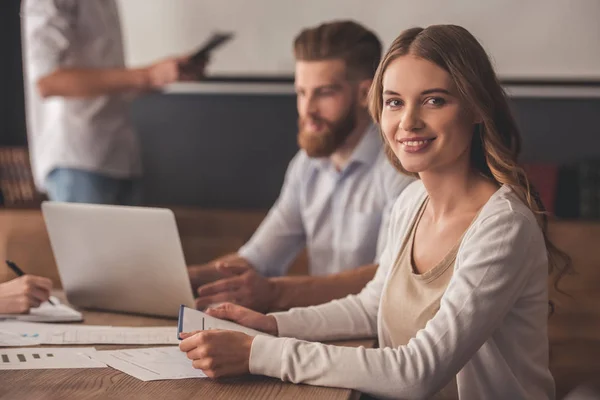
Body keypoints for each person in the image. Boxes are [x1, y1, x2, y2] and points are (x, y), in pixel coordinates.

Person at [179, 24, 571, 399]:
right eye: (395, 102)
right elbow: (371, 306)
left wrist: (259, 353)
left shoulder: (502, 227)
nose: (408, 121)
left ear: (476, 108)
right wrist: (272, 325)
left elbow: (419, 372)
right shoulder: (412, 202)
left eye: (434, 100)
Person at [189, 20, 413, 312]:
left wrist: (276, 293)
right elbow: (258, 259)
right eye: (302, 93)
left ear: (365, 94)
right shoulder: (306, 165)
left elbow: (388, 277)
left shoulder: (401, 165)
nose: (308, 110)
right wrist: (184, 277)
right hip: (321, 327)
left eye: (324, 93)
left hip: (376, 334)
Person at [21, 0, 203, 205]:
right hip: (79, 161)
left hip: (120, 157)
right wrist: (148, 75)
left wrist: (165, 76)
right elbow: (47, 82)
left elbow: (108, 86)